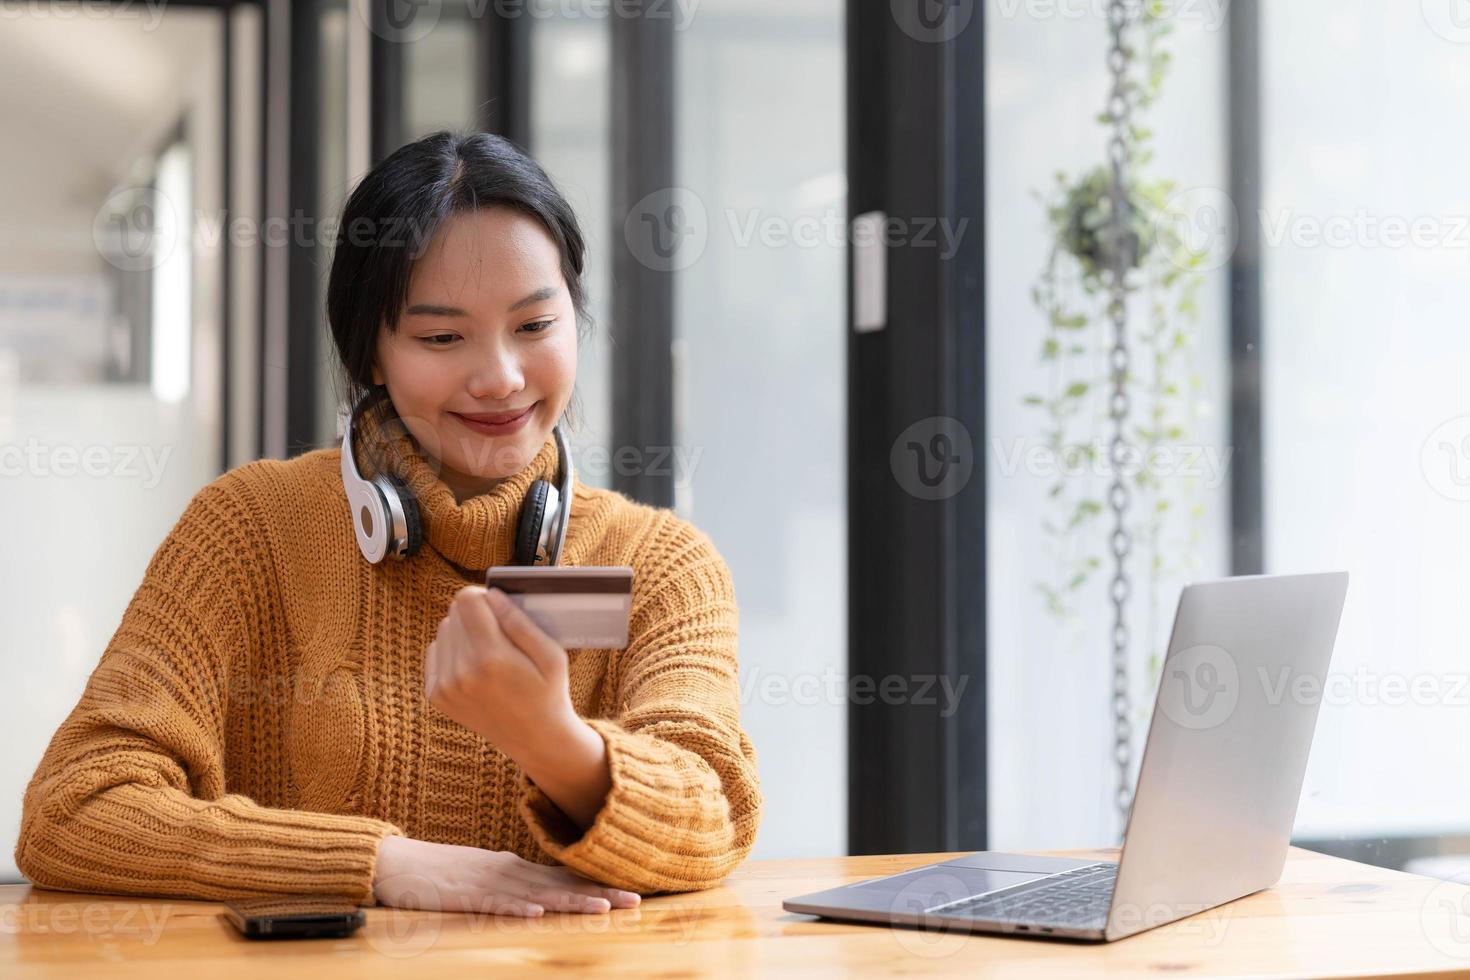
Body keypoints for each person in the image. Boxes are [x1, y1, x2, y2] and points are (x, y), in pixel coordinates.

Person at [13, 131, 761, 917]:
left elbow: (709, 817)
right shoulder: (249, 529)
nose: (501, 377)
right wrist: (379, 865)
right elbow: (72, 810)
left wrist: (550, 739)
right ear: (370, 353)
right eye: (442, 337)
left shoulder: (664, 564)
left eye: (536, 326)